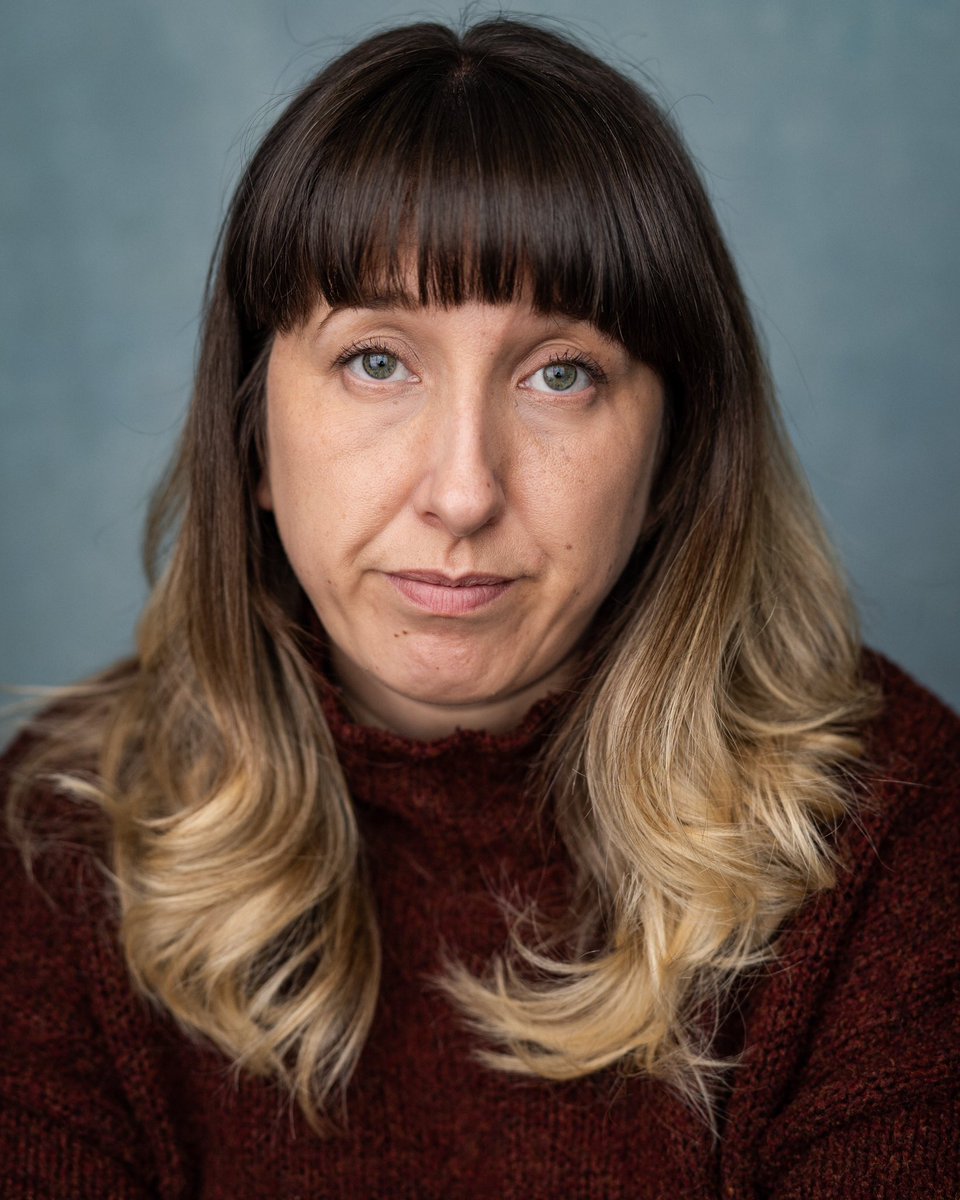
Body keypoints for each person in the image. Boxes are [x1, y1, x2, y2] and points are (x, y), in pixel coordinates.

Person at [1, 17, 957, 1199]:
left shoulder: (893, 837)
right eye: (376, 361)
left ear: (675, 454)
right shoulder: (57, 842)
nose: (462, 492)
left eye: (560, 373)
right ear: (249, 433)